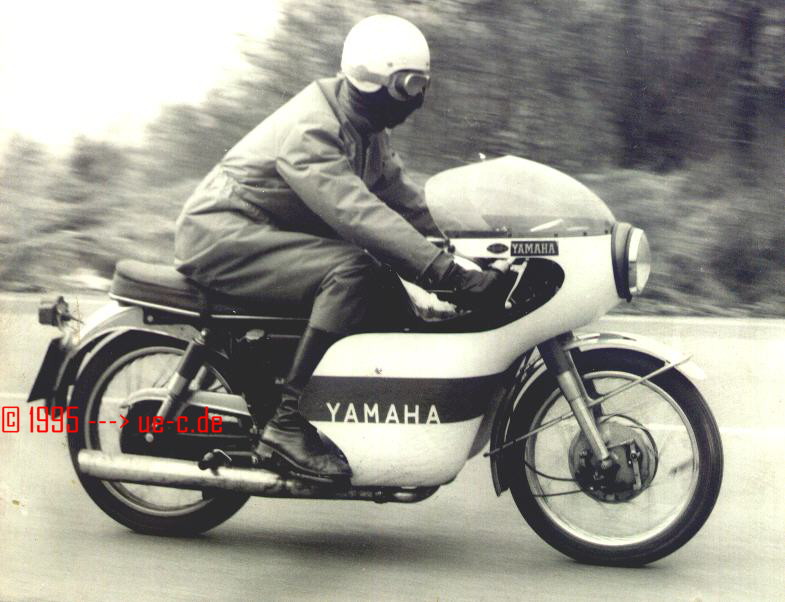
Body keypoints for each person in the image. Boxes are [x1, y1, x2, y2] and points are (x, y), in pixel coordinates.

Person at [174, 14, 504, 482]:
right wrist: (445, 274)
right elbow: (359, 215)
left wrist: (480, 241)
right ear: (377, 84)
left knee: (378, 284)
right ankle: (286, 424)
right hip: (222, 235)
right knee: (352, 270)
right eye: (409, 86)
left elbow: (407, 202)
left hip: (262, 233)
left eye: (422, 85)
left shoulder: (366, 129)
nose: (418, 100)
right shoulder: (311, 129)